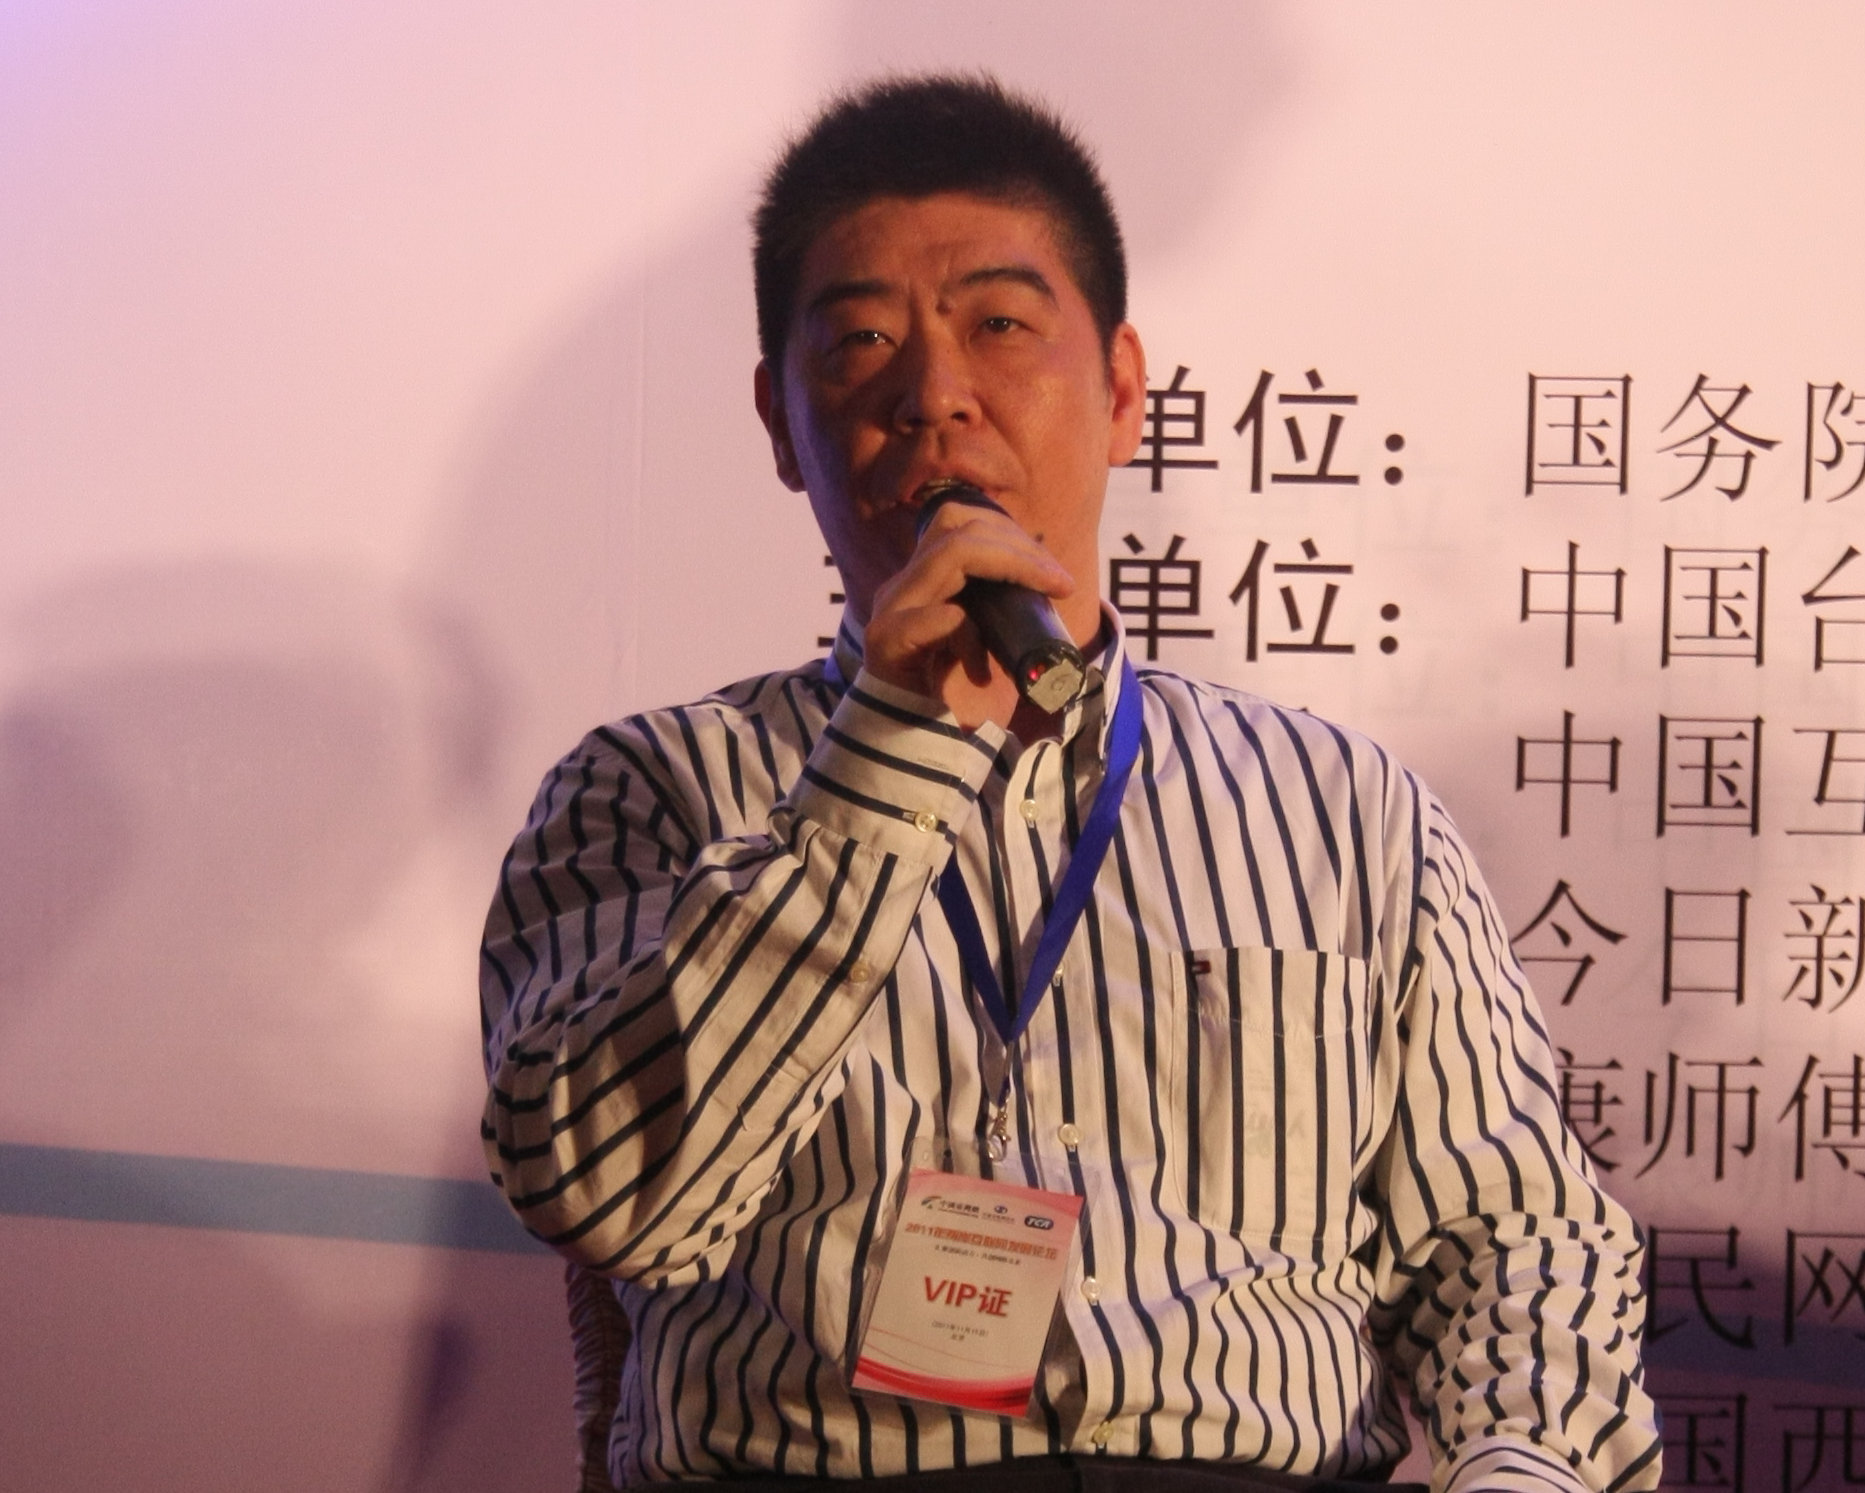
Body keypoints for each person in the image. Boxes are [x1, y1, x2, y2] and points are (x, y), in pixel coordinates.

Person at [481, 75, 1660, 1493]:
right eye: (860, 340)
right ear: (780, 425)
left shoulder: (1345, 810)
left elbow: (1513, 1234)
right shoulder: (649, 790)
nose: (933, 394)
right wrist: (891, 750)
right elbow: (612, 1195)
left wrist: (1521, 1469)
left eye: (998, 325)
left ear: (1120, 392)